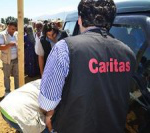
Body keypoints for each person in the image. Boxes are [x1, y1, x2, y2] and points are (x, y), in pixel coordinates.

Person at [38, 0, 136, 132]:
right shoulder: (128, 53)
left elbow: (46, 102)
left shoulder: (64, 48)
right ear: (111, 20)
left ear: (79, 20)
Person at [0, 21, 19, 97]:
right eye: (12, 29)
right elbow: (0, 47)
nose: (13, 31)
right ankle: (7, 91)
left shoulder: (16, 34)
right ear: (8, 26)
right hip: (7, 60)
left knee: (17, 76)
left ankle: (17, 90)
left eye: (15, 29)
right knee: (7, 76)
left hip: (16, 58)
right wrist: (9, 45)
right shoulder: (2, 34)